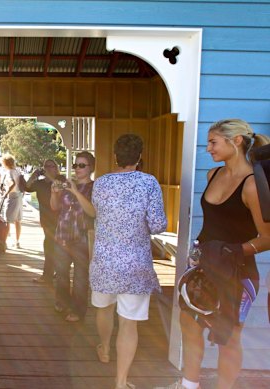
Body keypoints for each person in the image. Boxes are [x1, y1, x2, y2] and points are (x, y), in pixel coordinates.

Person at [161, 119, 270, 389]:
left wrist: (233, 251)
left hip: (238, 273)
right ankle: (189, 385)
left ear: (236, 141)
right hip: (204, 269)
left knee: (229, 340)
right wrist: (208, 253)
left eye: (213, 142)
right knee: (190, 326)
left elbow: (267, 237)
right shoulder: (213, 175)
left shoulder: (253, 185)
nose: (208, 148)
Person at [90, 134, 168, 389]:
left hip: (104, 262)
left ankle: (104, 348)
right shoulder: (149, 183)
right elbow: (157, 225)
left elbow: (98, 214)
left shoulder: (100, 183)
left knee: (104, 308)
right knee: (128, 323)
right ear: (139, 157)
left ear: (115, 157)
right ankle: (121, 382)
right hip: (136, 264)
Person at [50, 153, 96, 322]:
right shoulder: (68, 185)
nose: (77, 168)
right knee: (61, 273)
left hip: (81, 238)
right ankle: (62, 302)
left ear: (91, 167)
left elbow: (92, 212)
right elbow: (55, 207)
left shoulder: (94, 187)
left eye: (82, 165)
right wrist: (54, 193)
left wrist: (76, 192)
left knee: (80, 277)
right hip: (62, 235)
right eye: (76, 165)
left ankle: (77, 310)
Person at [26, 159, 60, 283]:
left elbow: (63, 190)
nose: (49, 169)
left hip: (60, 219)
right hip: (46, 219)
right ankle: (52, 272)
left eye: (52, 166)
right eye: (46, 166)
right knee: (51, 246)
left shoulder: (60, 180)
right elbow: (26, 187)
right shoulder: (40, 183)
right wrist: (33, 176)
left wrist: (51, 179)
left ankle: (48, 276)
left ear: (56, 168)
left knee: (51, 246)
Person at [1, 154, 24, 248]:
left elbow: (12, 183)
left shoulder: (9, 172)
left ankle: (4, 242)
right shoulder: (17, 171)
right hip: (19, 196)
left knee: (7, 220)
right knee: (18, 220)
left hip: (12, 197)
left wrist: (5, 193)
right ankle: (17, 241)